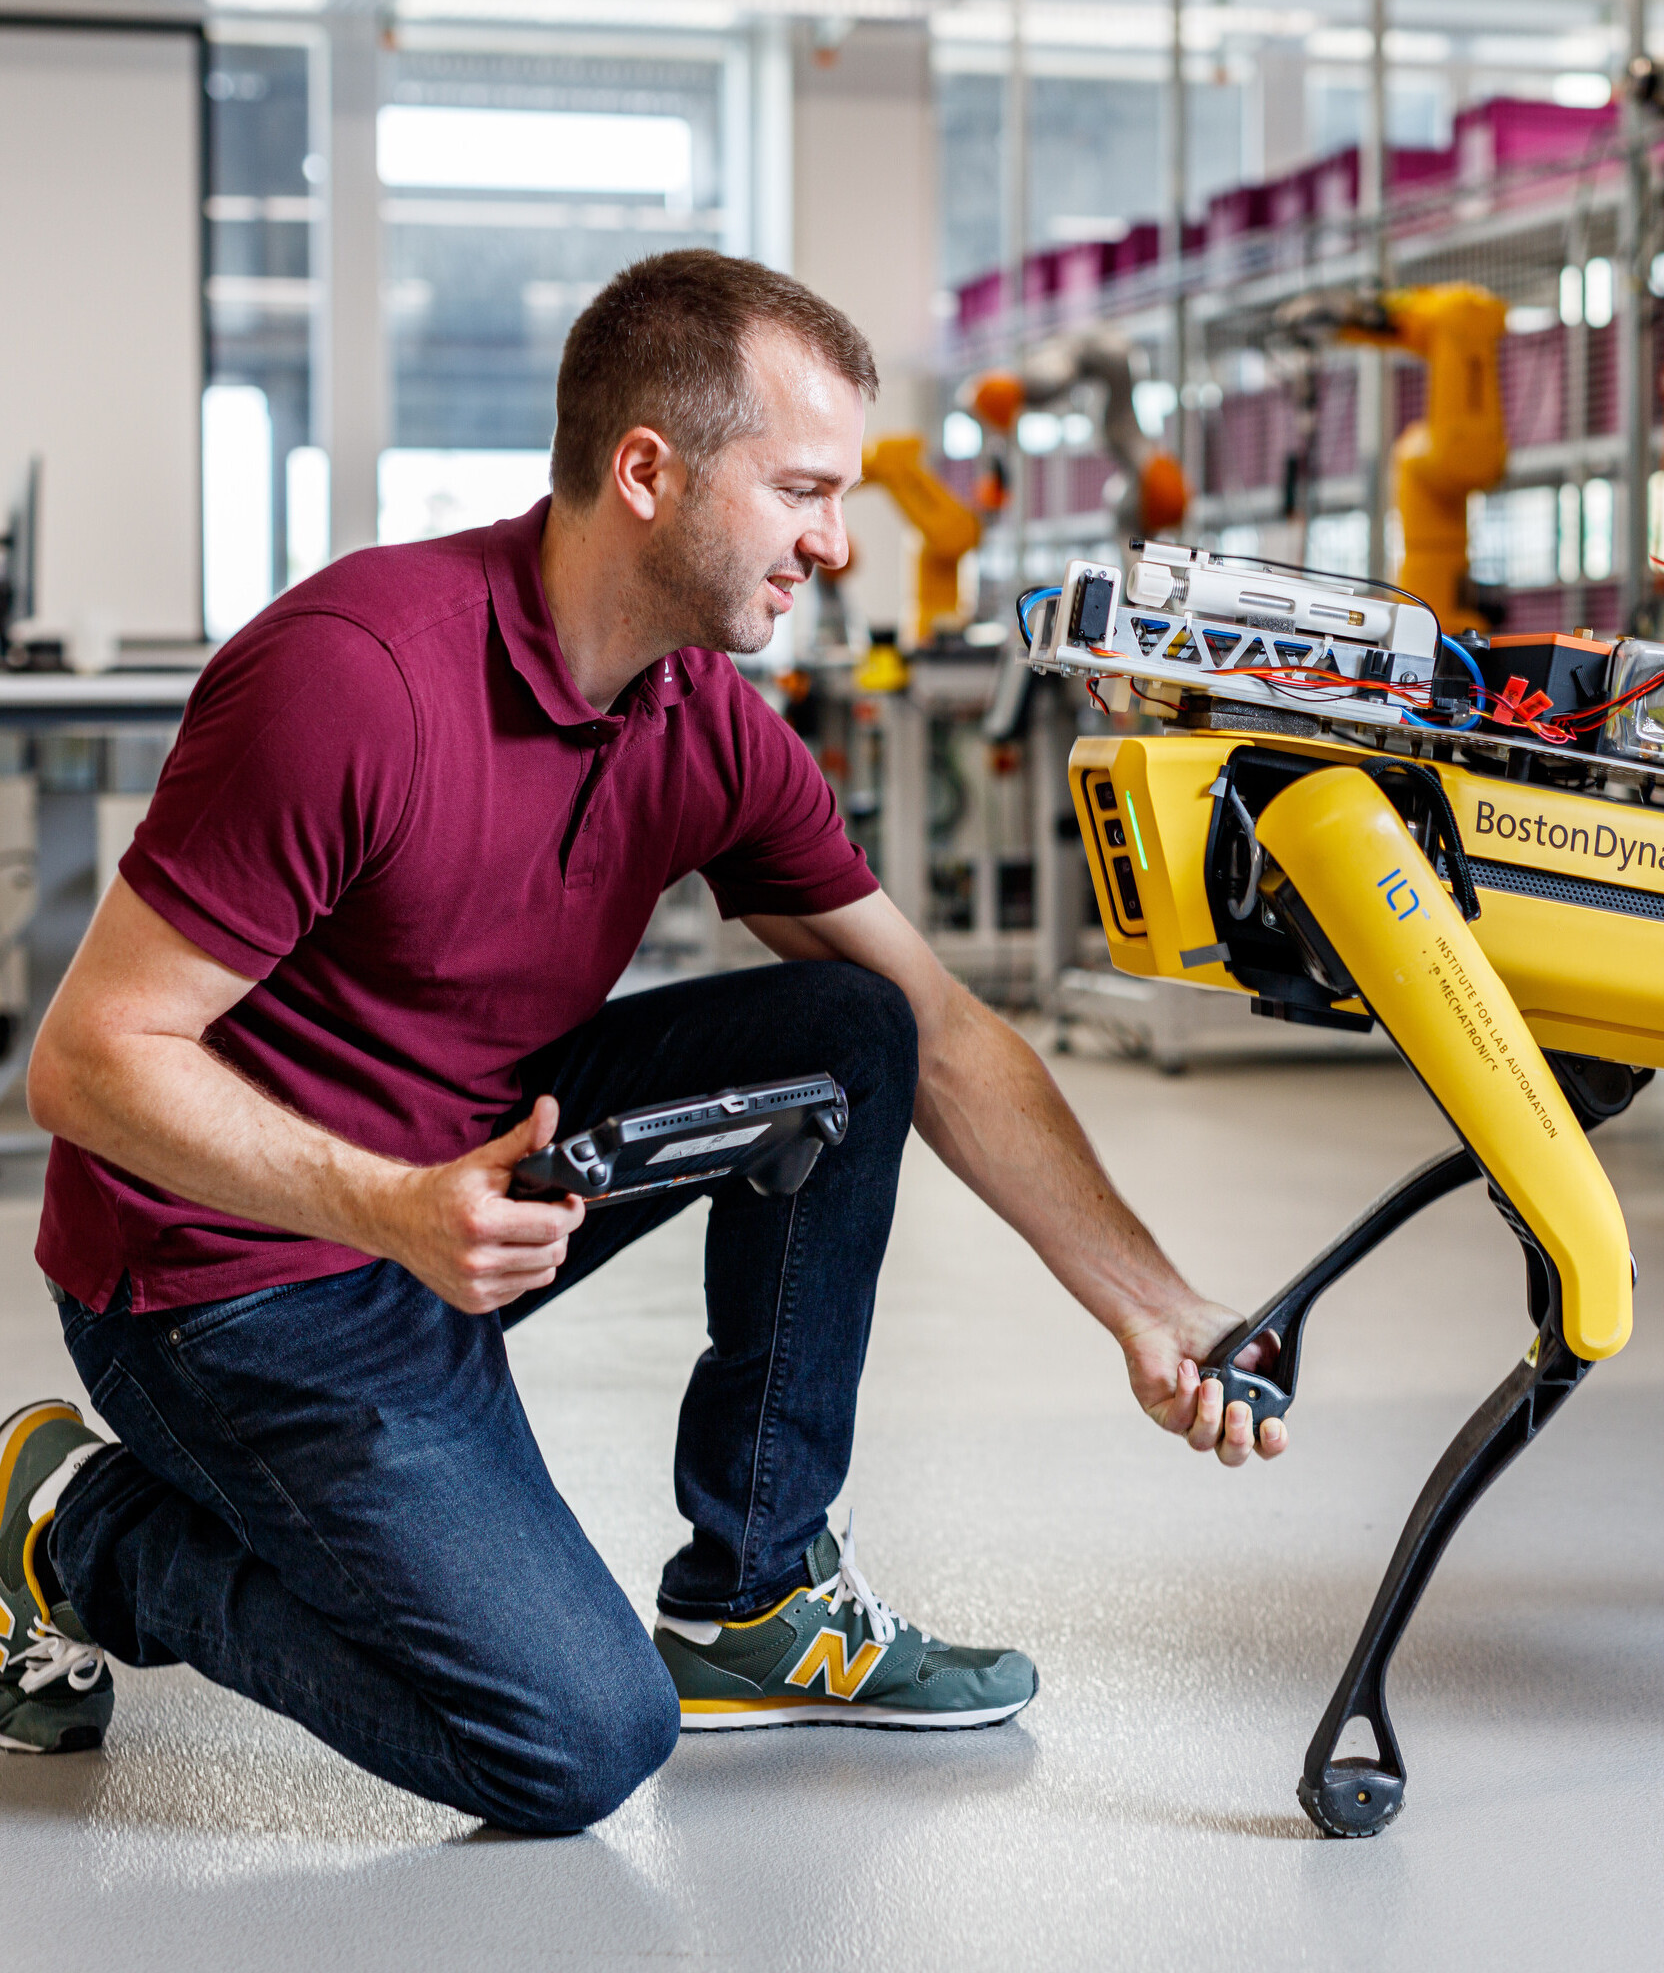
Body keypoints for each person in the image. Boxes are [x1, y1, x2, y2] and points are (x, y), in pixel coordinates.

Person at [0, 250, 1281, 1827]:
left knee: (848, 1025)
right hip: (226, 1280)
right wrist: (388, 1211)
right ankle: (70, 1525)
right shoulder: (356, 679)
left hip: (468, 1184)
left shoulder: (705, 721)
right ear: (649, 473)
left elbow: (938, 1033)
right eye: (803, 489)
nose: (833, 542)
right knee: (570, 1742)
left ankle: (754, 1595)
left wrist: (1157, 1309)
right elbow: (88, 1061)